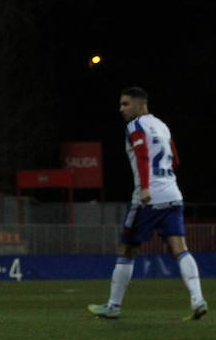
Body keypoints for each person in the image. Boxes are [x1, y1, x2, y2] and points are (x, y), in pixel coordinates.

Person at [87, 87, 208, 321]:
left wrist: (144, 188)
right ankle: (197, 299)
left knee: (126, 249)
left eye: (125, 104)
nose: (121, 109)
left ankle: (113, 306)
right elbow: (175, 157)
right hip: (173, 193)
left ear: (140, 105)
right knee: (179, 248)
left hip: (148, 198)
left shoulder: (135, 126)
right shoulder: (162, 126)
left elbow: (142, 155)